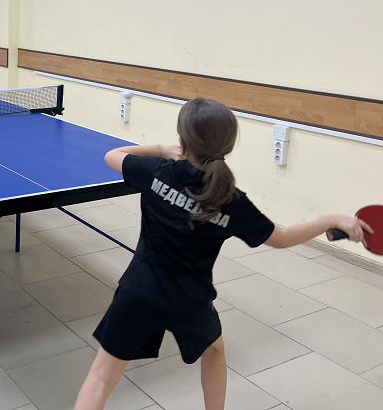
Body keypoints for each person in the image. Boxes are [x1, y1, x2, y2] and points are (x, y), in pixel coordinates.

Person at [74, 98, 371, 410]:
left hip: (138, 293)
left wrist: (161, 149)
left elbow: (112, 155)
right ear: (227, 146)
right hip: (190, 300)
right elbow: (281, 239)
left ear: (182, 141)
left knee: (100, 377)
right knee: (214, 351)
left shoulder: (157, 172)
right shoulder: (231, 200)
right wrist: (330, 219)